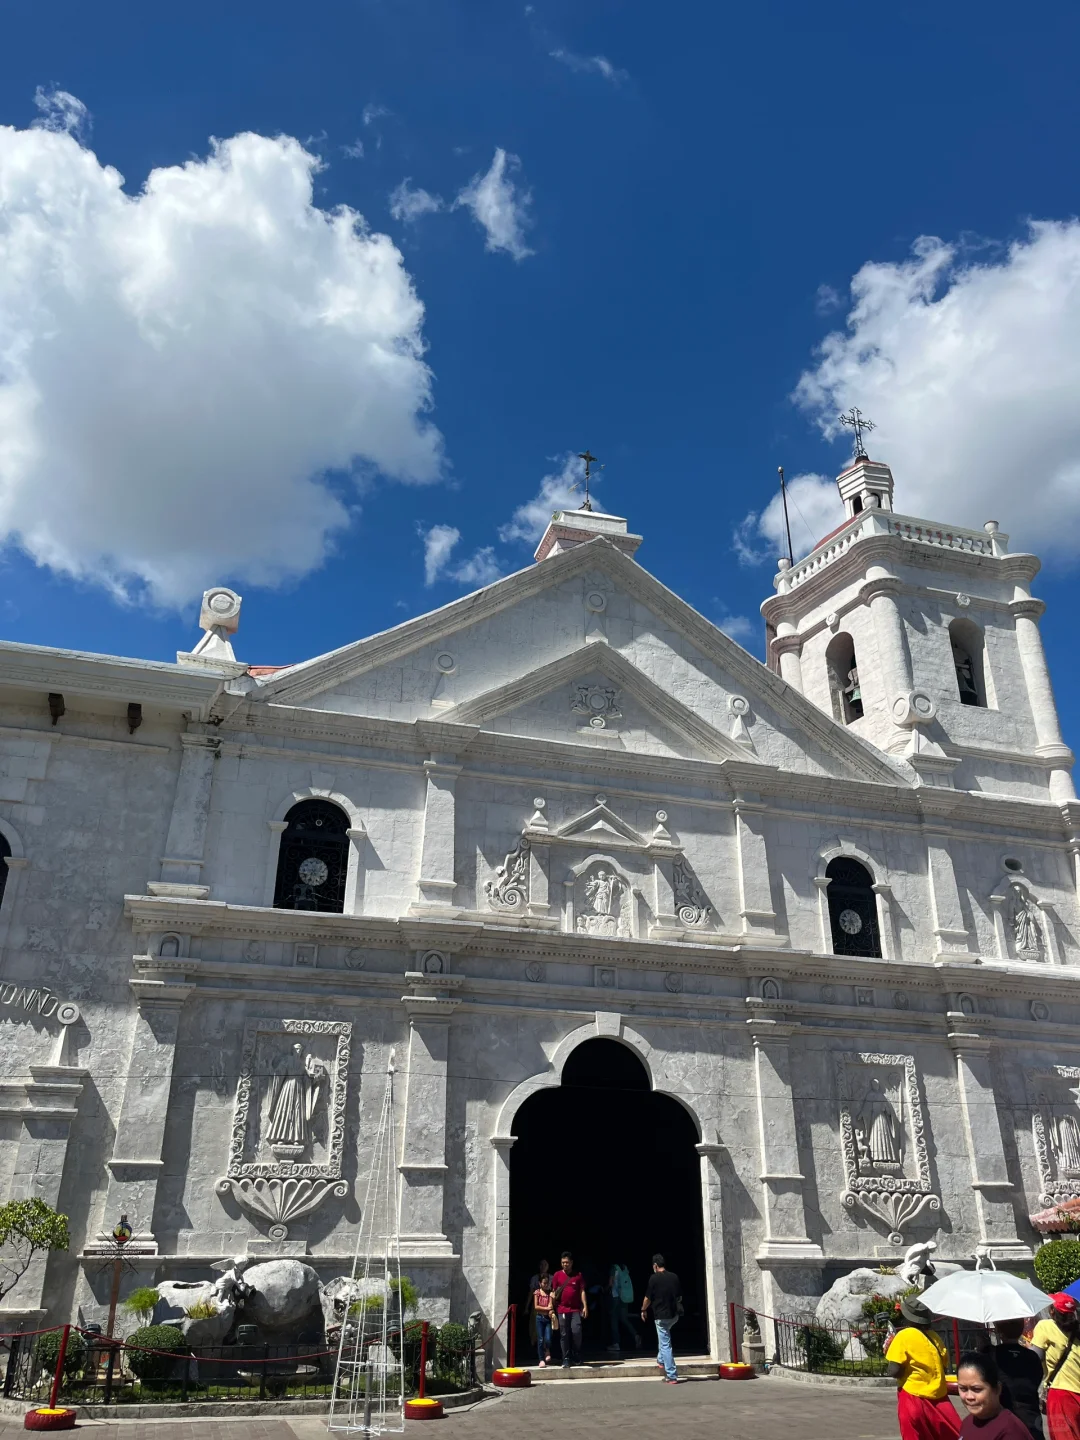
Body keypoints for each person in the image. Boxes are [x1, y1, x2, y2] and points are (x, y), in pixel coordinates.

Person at [885, 1294, 962, 1440]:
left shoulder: (904, 1335)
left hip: (912, 1397)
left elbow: (894, 1370)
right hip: (939, 1397)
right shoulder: (934, 1336)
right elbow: (943, 1365)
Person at [1031, 1293, 1080, 1440]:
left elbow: (1035, 1358)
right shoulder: (1078, 1332)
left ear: (1052, 1311)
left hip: (1061, 1394)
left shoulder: (1045, 1326)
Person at [957, 1352, 1038, 1440]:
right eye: (963, 1389)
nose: (969, 1397)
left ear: (997, 1389)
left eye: (977, 1389)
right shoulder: (967, 1422)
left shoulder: (1010, 1431)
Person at [992, 1319, 1044, 1440]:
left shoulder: (992, 1354)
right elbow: (1037, 1378)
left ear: (998, 1330)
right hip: (1031, 1414)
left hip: (1003, 1415)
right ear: (1021, 1329)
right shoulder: (1032, 1356)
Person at [641, 1254, 681, 1384]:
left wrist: (643, 1309)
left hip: (661, 1316)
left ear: (655, 1266)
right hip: (674, 1315)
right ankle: (661, 1360)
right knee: (664, 1339)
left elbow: (647, 1298)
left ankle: (671, 1375)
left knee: (665, 1344)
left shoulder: (653, 1279)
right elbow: (679, 1297)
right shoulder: (674, 1277)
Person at [553, 1250, 588, 1370]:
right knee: (564, 1334)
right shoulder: (557, 1275)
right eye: (563, 1263)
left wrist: (585, 1306)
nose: (565, 1265)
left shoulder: (578, 1275)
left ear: (572, 1262)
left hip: (575, 1309)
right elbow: (553, 1292)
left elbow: (582, 1291)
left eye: (567, 1262)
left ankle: (576, 1353)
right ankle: (566, 1357)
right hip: (562, 1309)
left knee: (576, 1331)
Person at [608, 1261, 640, 1353]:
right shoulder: (624, 1267)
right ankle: (635, 1335)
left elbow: (611, 1283)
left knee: (613, 1319)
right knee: (623, 1318)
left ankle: (616, 1344)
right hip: (624, 1297)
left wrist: (605, 1289)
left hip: (615, 1296)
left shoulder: (614, 1267)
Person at [532, 1274, 555, 1368]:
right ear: (540, 1283)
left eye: (547, 1283)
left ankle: (547, 1349)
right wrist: (546, 1308)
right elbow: (536, 1307)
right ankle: (541, 1359)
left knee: (548, 1338)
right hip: (539, 1318)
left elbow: (551, 1306)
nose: (546, 1285)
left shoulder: (550, 1293)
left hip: (547, 1319)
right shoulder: (537, 1293)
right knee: (540, 1339)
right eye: (544, 1283)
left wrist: (550, 1308)